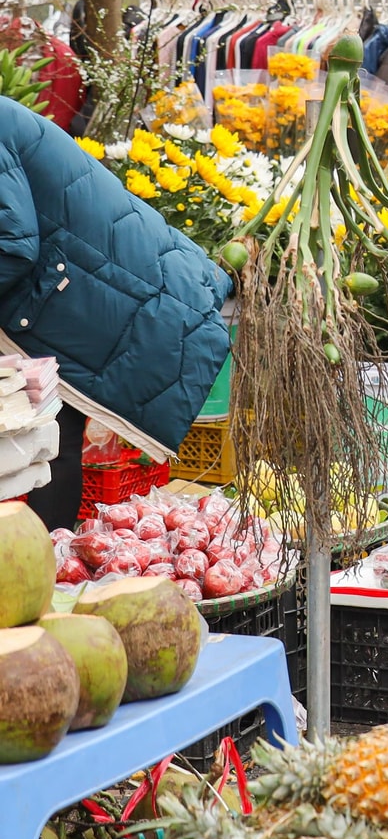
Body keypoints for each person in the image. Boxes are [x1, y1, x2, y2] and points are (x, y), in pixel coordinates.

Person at [0, 100, 231, 529]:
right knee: (52, 437)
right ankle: (46, 565)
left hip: (99, 294)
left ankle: (44, 569)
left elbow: (14, 244)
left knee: (52, 438)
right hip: (87, 287)